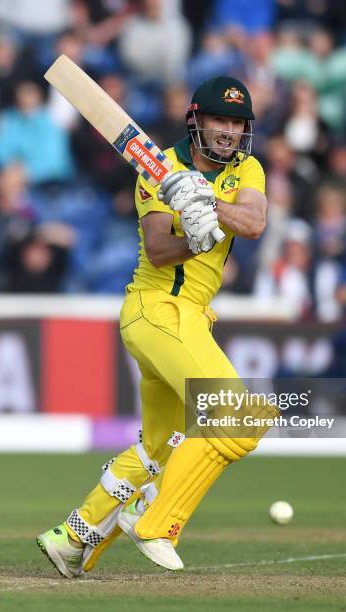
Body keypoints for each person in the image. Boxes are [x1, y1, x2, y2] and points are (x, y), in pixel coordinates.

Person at [36, 75, 278, 576]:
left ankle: (74, 536)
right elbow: (160, 250)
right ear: (197, 121)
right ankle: (155, 522)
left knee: (157, 446)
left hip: (191, 319)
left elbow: (253, 223)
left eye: (237, 123)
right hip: (156, 309)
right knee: (239, 416)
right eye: (220, 120)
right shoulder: (158, 169)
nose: (230, 132)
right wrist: (194, 235)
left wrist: (207, 204)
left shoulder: (247, 169)